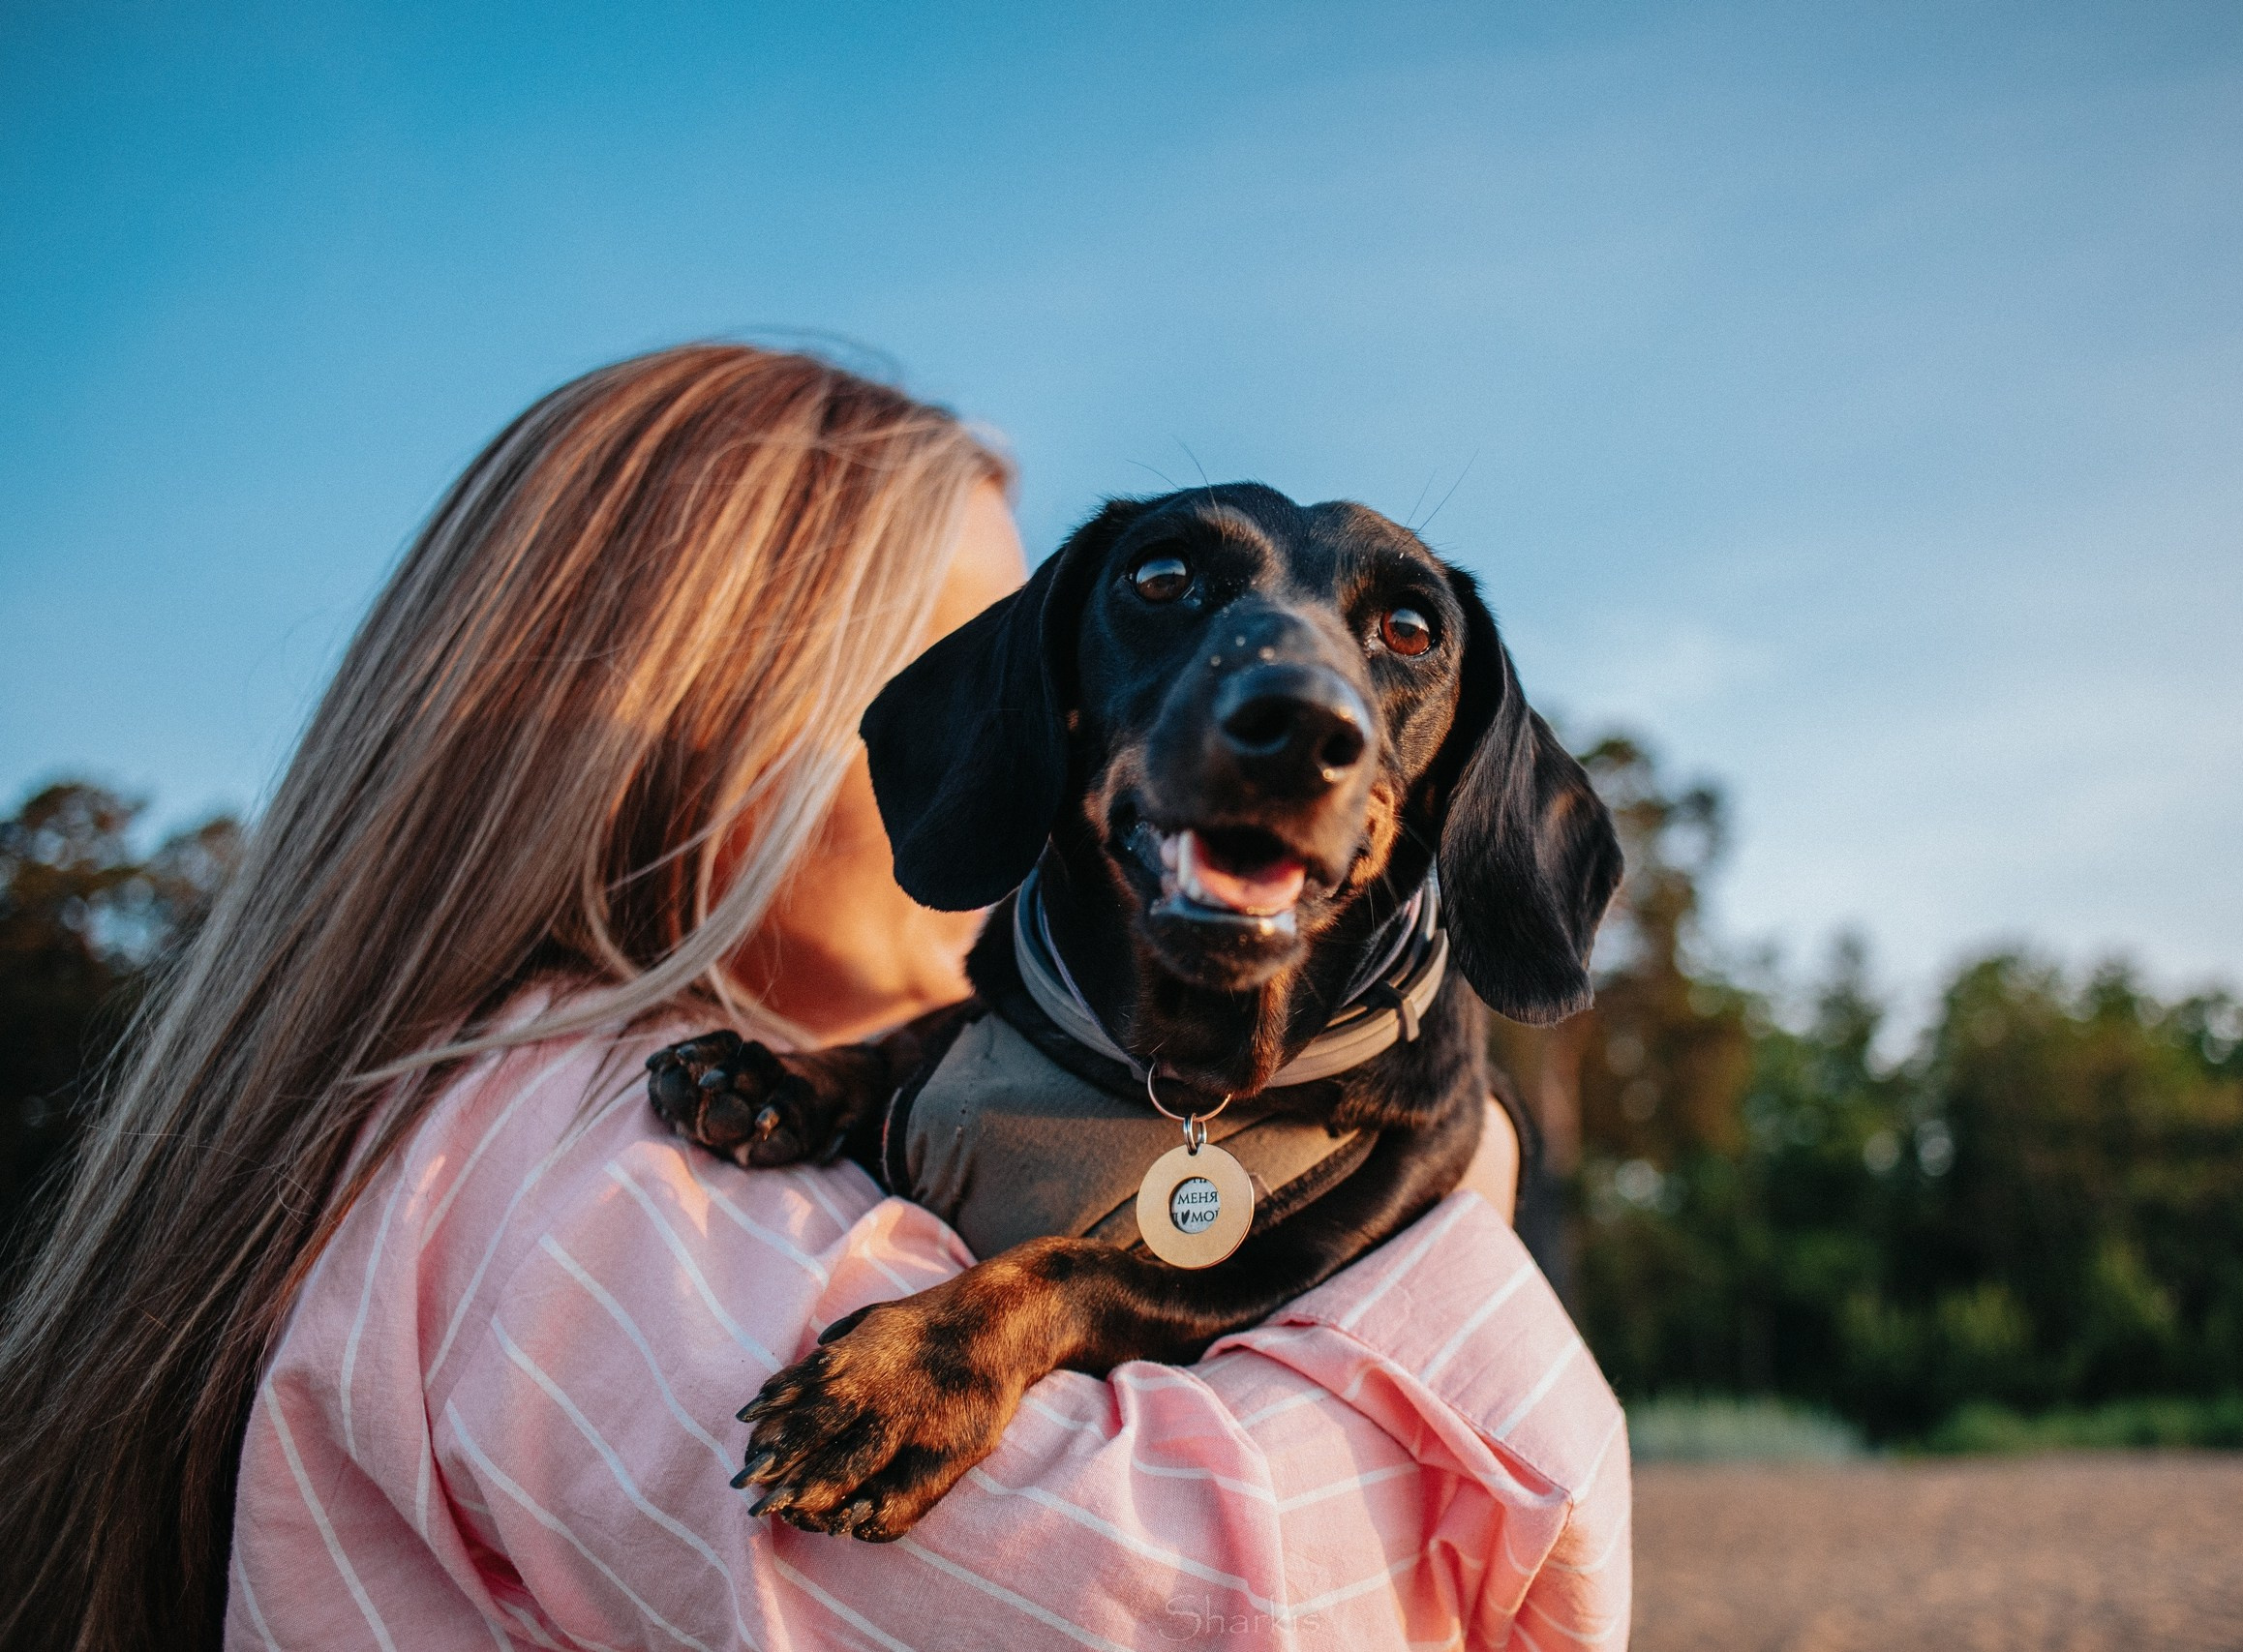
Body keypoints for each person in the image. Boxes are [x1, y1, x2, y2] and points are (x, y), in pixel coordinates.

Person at [0, 345, 1628, 1651]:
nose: (1014, 755)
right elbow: (1252, 1610)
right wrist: (1459, 1216)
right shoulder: (585, 1186)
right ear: (712, 720)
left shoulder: (585, 1126)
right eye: (965, 675)